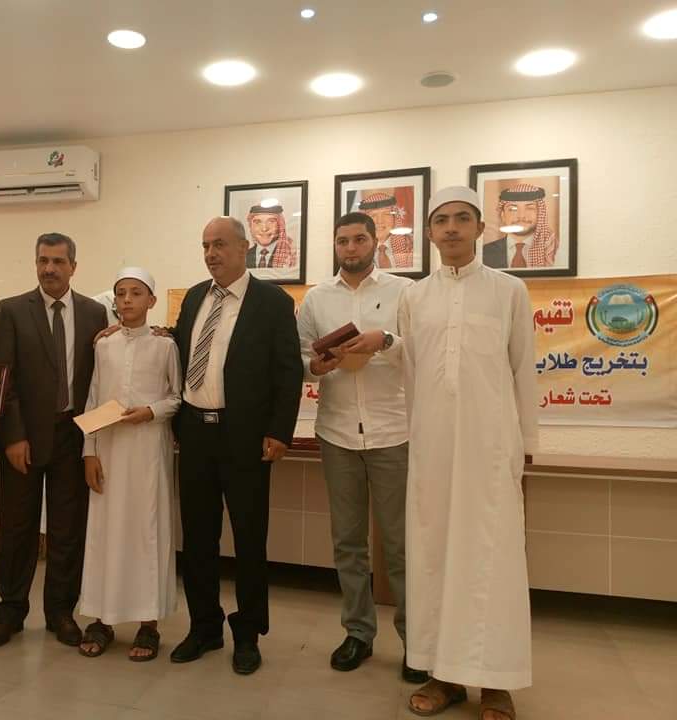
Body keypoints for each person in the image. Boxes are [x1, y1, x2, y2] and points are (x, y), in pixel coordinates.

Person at [398, 186, 538, 720]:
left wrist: (527, 445)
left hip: (491, 446)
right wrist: (418, 438)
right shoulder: (415, 298)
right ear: (429, 233)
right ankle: (444, 674)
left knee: (492, 559)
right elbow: (412, 376)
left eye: (462, 219)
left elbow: (523, 369)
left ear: (481, 229)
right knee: (434, 556)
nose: (451, 228)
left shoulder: (508, 291)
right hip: (433, 446)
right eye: (441, 220)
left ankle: (497, 683)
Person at [297, 212, 427, 683]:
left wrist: (384, 340)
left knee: (401, 545)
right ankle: (358, 633)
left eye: (358, 239)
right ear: (335, 246)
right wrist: (319, 365)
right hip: (336, 434)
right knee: (348, 543)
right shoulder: (317, 298)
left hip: (394, 432)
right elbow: (301, 359)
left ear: (375, 241)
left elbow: (420, 347)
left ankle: (417, 642)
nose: (350, 248)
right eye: (342, 241)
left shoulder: (405, 291)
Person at [171, 216, 302, 675]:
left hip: (245, 436)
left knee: (248, 539)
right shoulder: (194, 298)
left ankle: (247, 634)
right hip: (195, 432)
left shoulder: (273, 302)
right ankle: (204, 626)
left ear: (243, 248)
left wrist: (279, 431)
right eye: (206, 245)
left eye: (220, 244)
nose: (211, 253)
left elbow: (288, 371)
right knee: (197, 538)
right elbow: (178, 351)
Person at [0, 232, 108, 650]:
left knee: (67, 530)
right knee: (17, 528)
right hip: (24, 437)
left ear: (73, 266)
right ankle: (10, 612)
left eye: (58, 261)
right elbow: (4, 378)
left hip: (72, 437)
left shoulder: (94, 313)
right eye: (43, 260)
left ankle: (60, 612)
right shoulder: (12, 310)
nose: (49, 268)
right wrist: (13, 436)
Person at [78, 267, 181, 661]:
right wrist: (89, 451)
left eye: (136, 293)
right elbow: (92, 401)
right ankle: (101, 619)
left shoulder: (164, 346)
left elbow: (177, 397)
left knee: (146, 532)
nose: (127, 300)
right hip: (108, 450)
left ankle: (148, 623)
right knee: (104, 533)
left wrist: (150, 411)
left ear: (151, 300)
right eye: (121, 293)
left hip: (148, 451)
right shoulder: (103, 345)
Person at [482, 183, 557, 269]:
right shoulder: (484, 252)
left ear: (540, 214)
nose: (521, 216)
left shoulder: (552, 250)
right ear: (503, 215)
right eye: (513, 209)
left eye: (530, 208)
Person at [353, 192, 414, 269]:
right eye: (373, 215)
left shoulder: (411, 246)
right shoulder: (354, 251)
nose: (379, 221)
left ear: (395, 218)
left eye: (386, 214)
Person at [245, 205, 297, 269]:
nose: (264, 229)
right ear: (251, 226)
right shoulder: (244, 255)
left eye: (271, 221)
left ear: (280, 225)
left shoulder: (292, 255)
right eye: (257, 222)